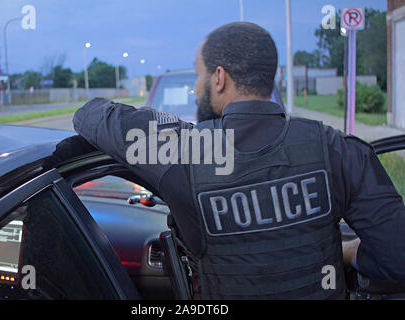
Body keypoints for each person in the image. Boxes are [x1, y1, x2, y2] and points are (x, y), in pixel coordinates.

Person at [71, 22, 405, 299]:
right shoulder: (337, 148)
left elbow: (92, 116)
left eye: (200, 76)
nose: (198, 85)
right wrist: (346, 254)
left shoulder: (186, 150)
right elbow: (397, 258)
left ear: (219, 77)